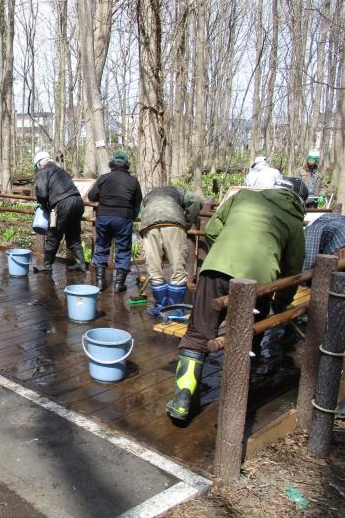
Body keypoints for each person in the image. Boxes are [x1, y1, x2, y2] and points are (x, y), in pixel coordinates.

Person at [166, 177, 307, 422]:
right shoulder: (294, 221)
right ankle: (235, 401)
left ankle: (183, 399)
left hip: (216, 268)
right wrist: (281, 302)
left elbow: (211, 230)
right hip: (259, 282)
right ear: (300, 201)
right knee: (247, 338)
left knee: (199, 333)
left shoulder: (243, 196)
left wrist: (224, 251)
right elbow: (293, 268)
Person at [138, 186, 203, 315]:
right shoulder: (181, 191)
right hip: (173, 224)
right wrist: (188, 222)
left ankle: (161, 307)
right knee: (178, 266)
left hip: (149, 224)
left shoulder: (150, 194)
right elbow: (196, 201)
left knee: (154, 267)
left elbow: (141, 212)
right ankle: (175, 309)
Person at [89, 151, 143, 292]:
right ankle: (119, 284)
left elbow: (91, 196)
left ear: (112, 164)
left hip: (104, 216)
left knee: (101, 246)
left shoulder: (103, 178)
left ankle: (100, 282)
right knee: (123, 249)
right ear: (127, 165)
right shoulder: (133, 181)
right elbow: (138, 201)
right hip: (123, 218)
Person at [32, 151, 86, 273]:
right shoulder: (61, 171)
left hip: (62, 205)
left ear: (40, 164)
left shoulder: (43, 171)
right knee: (73, 235)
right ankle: (81, 264)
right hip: (78, 202)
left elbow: (42, 193)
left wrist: (40, 203)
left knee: (53, 234)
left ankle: (46, 265)